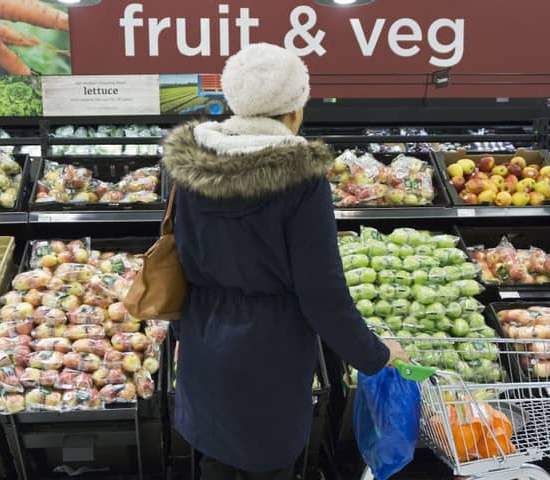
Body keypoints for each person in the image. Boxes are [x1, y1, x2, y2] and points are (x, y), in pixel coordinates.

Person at [162, 43, 408, 480]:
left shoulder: (189, 169)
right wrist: (375, 354)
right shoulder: (303, 184)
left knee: (213, 462)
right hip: (270, 357)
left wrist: (186, 332)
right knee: (267, 466)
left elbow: (179, 260)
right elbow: (323, 297)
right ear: (295, 109)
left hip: (203, 345)